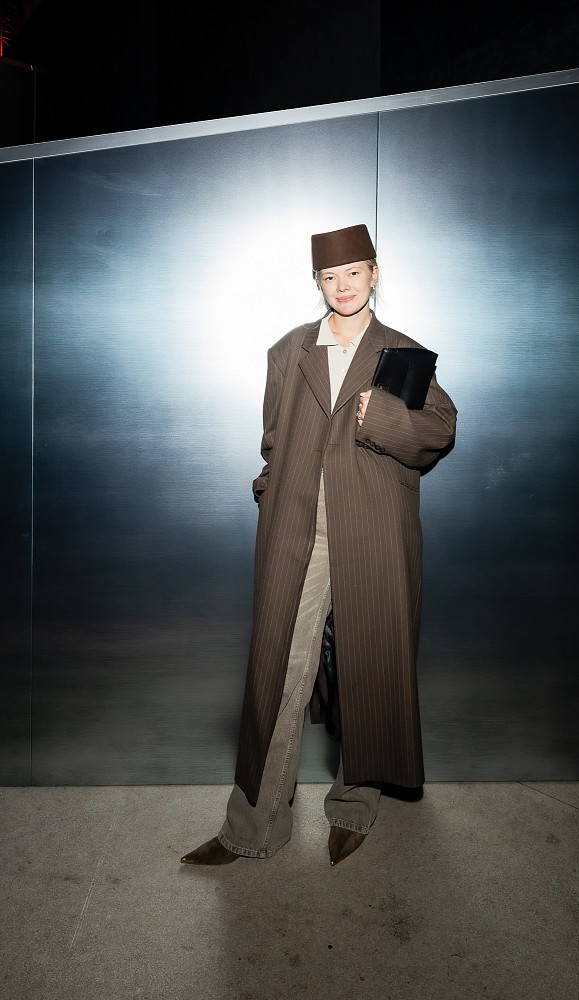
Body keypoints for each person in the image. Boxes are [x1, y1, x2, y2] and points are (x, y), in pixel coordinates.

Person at [181, 223, 457, 867]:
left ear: (375, 274)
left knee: (369, 666)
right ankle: (252, 826)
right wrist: (272, 494)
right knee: (279, 671)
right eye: (330, 277)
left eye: (354, 272)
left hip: (376, 530)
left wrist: (378, 416)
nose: (343, 286)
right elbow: (274, 440)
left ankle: (355, 806)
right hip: (298, 529)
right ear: (318, 282)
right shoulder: (289, 351)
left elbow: (440, 428)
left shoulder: (402, 352)